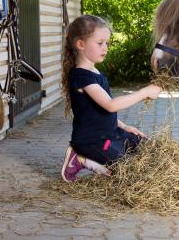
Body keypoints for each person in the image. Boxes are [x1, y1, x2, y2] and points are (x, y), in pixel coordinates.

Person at [61, 15, 162, 182]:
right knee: (128, 173)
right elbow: (110, 105)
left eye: (107, 43)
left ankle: (98, 160)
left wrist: (124, 127)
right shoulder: (81, 76)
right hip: (92, 141)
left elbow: (100, 111)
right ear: (80, 44)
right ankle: (80, 159)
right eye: (100, 43)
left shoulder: (96, 73)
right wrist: (144, 92)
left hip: (110, 134)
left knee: (144, 145)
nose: (105, 48)